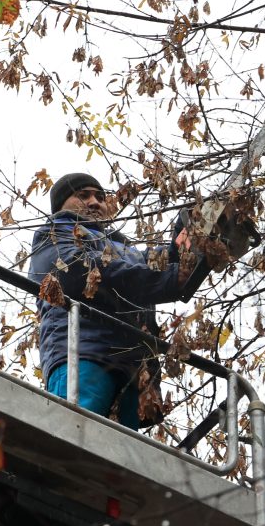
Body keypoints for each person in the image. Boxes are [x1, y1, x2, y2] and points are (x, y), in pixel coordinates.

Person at [29, 172, 188, 429]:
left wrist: (186, 241)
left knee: (120, 454)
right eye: (83, 195)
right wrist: (167, 280)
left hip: (132, 367)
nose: (95, 202)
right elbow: (77, 271)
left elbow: (163, 262)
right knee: (71, 434)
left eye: (100, 197)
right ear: (60, 205)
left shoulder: (126, 250)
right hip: (83, 352)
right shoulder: (56, 233)